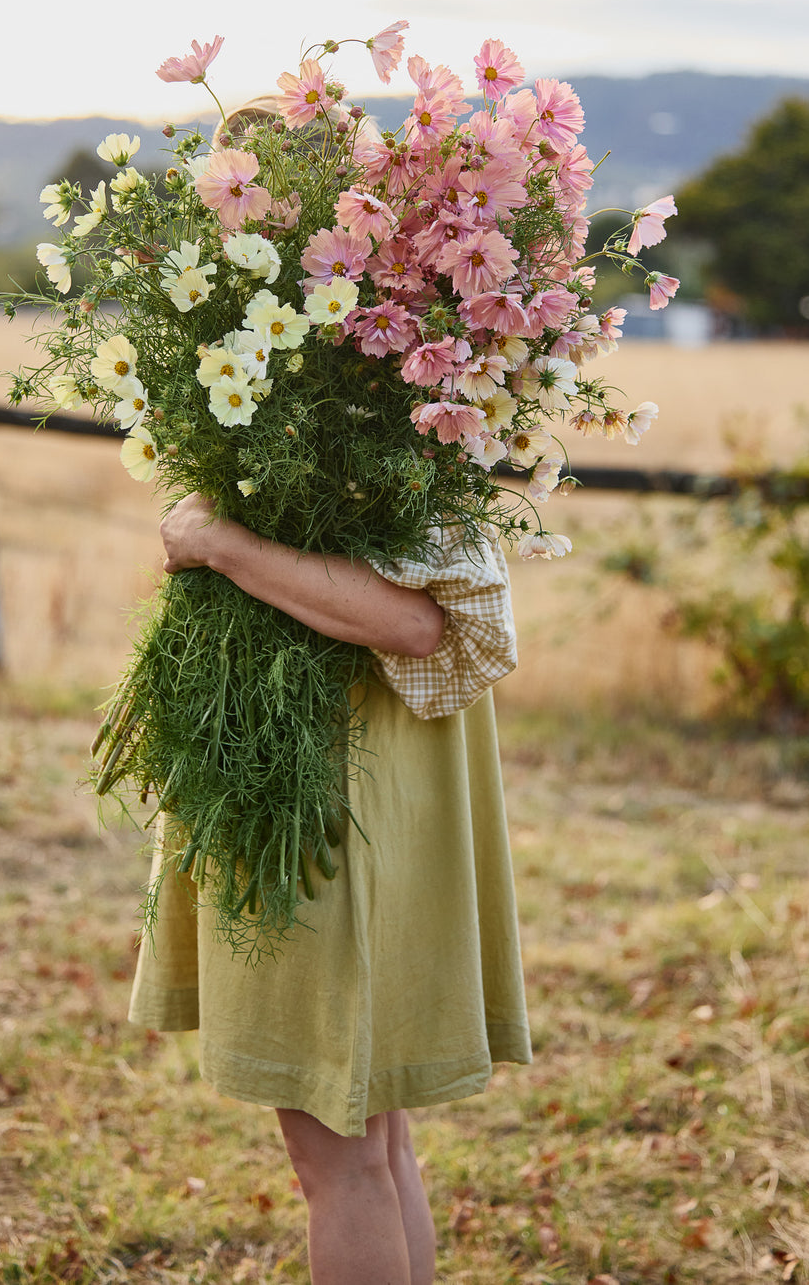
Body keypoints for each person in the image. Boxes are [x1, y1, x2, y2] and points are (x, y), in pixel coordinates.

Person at [129, 492, 531, 1285]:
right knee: (376, 1143)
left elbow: (414, 624)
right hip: (353, 781)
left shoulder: (373, 422)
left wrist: (219, 543)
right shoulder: (393, 418)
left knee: (339, 1162)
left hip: (327, 798)